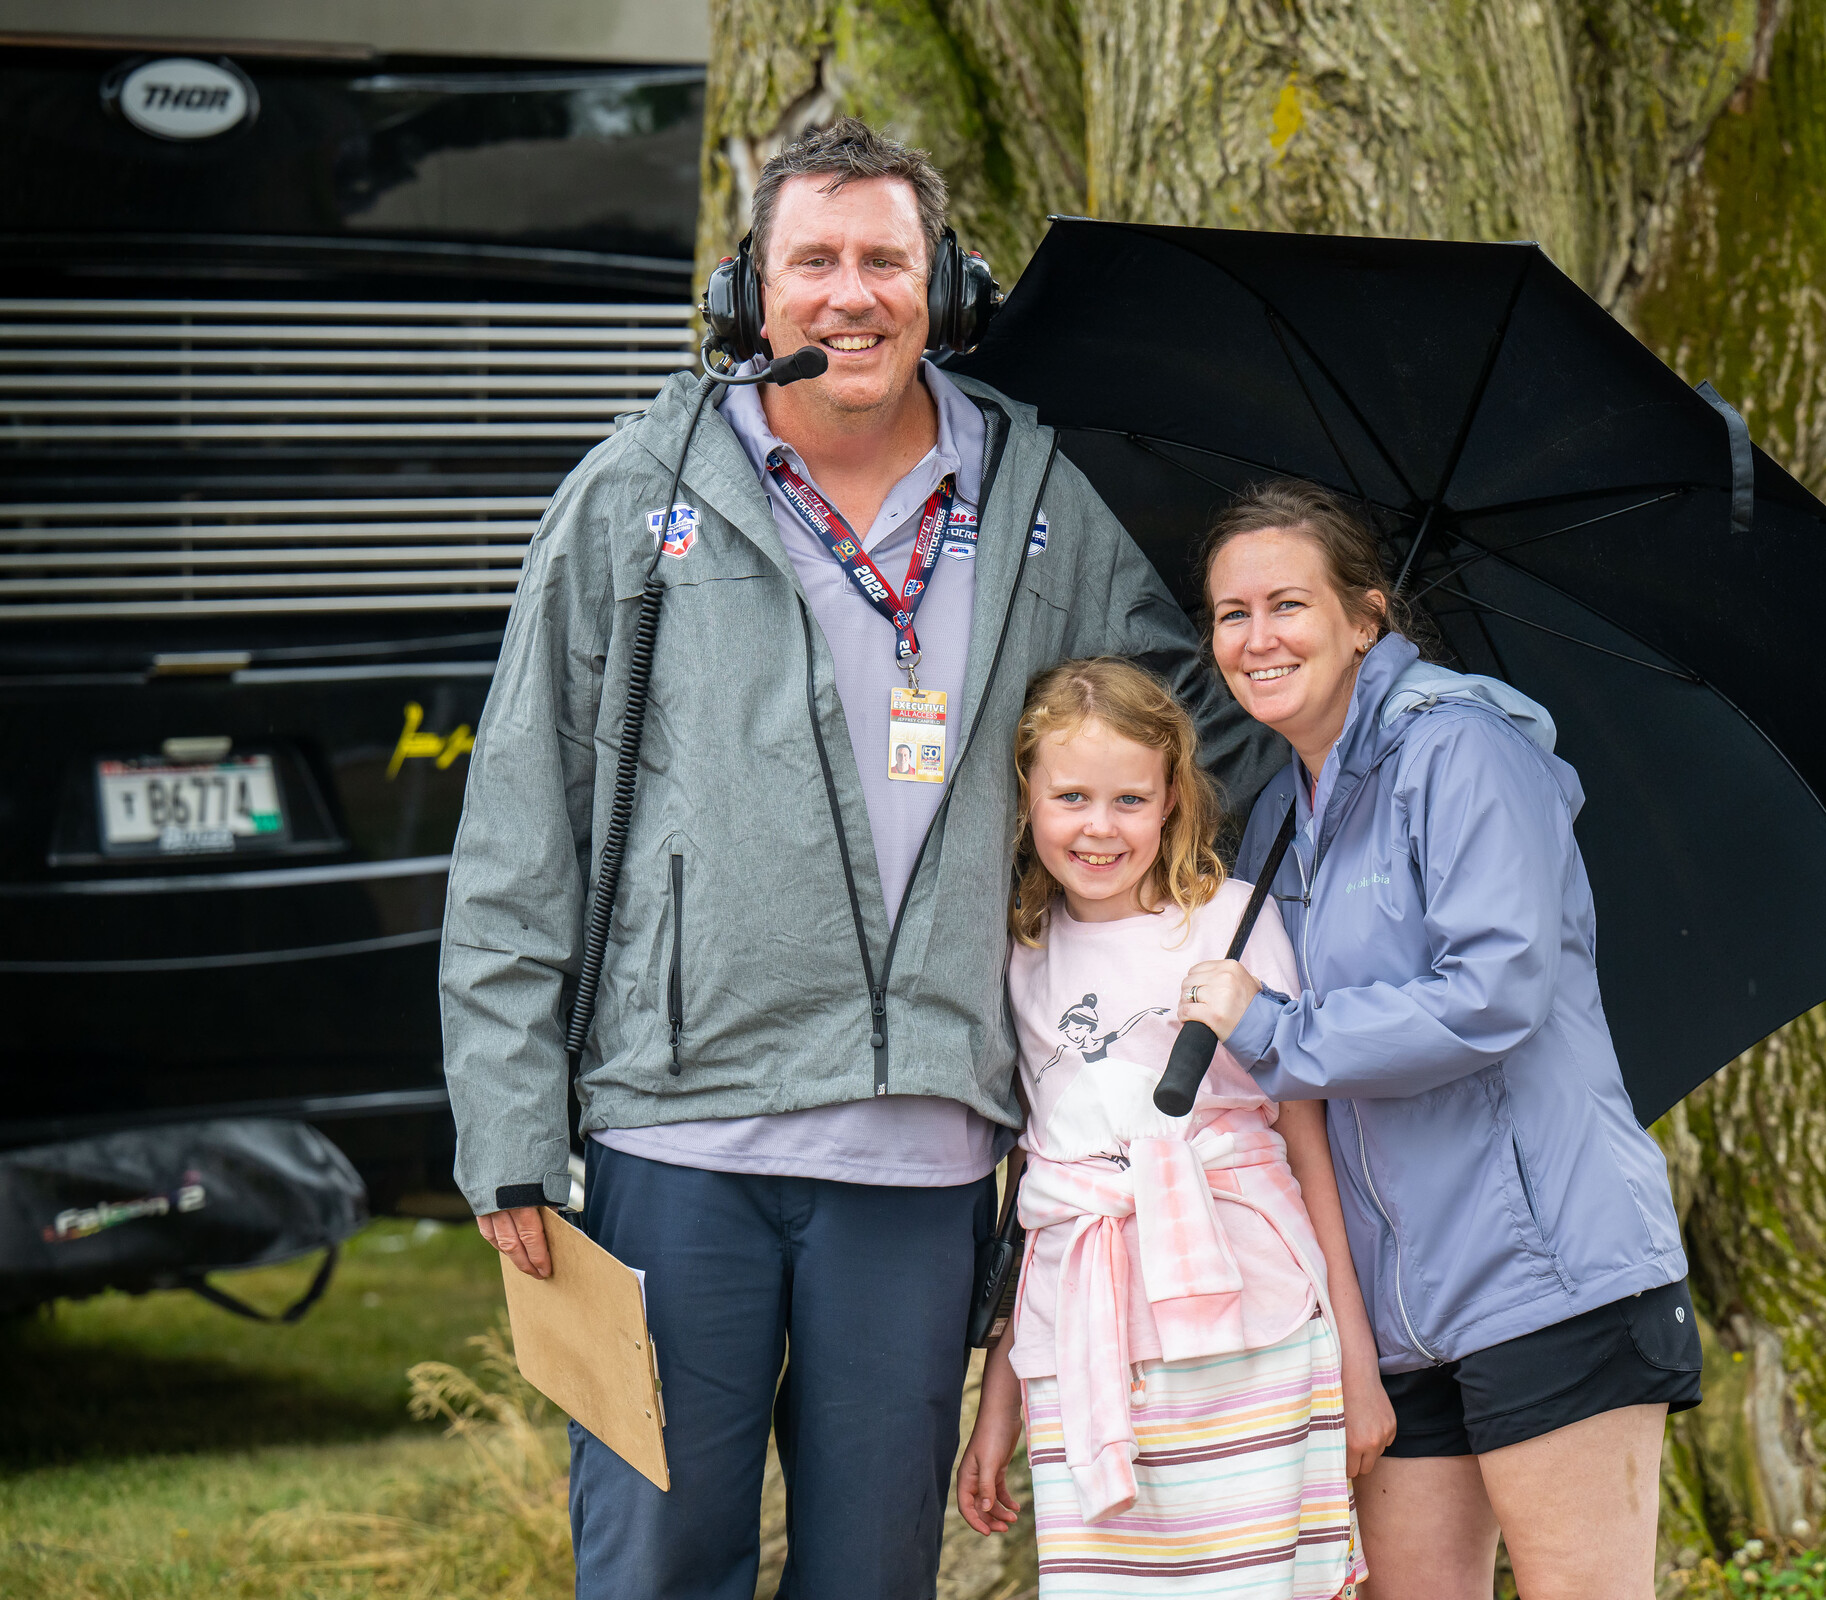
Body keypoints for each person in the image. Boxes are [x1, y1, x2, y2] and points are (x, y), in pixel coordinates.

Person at [438, 120, 1277, 1600]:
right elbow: (520, 816)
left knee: (875, 1576)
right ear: (746, 293)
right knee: (655, 1566)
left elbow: (1193, 728)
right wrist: (507, 1118)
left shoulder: (1035, 499)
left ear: (941, 288)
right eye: (812, 260)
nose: (849, 294)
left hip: (923, 1154)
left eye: (883, 259)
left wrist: (1364, 706)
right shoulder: (636, 492)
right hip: (676, 1134)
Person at [1174, 482, 1702, 1600]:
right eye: (1231, 613)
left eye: (1287, 604)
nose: (1258, 638)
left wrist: (1274, 1029)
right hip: (1396, 1314)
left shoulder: (1462, 751)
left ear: (1367, 617)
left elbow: (1492, 994)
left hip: (1549, 1279)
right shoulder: (1276, 821)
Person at [955, 657, 1388, 1597]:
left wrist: (1357, 1357)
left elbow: (1306, 1145)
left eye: (1130, 800)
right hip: (1084, 1346)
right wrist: (999, 1403)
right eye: (1071, 797)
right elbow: (1038, 1192)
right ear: (1027, 800)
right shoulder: (1021, 951)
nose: (1099, 827)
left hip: (1251, 1327)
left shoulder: (1231, 923)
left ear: (1172, 802)